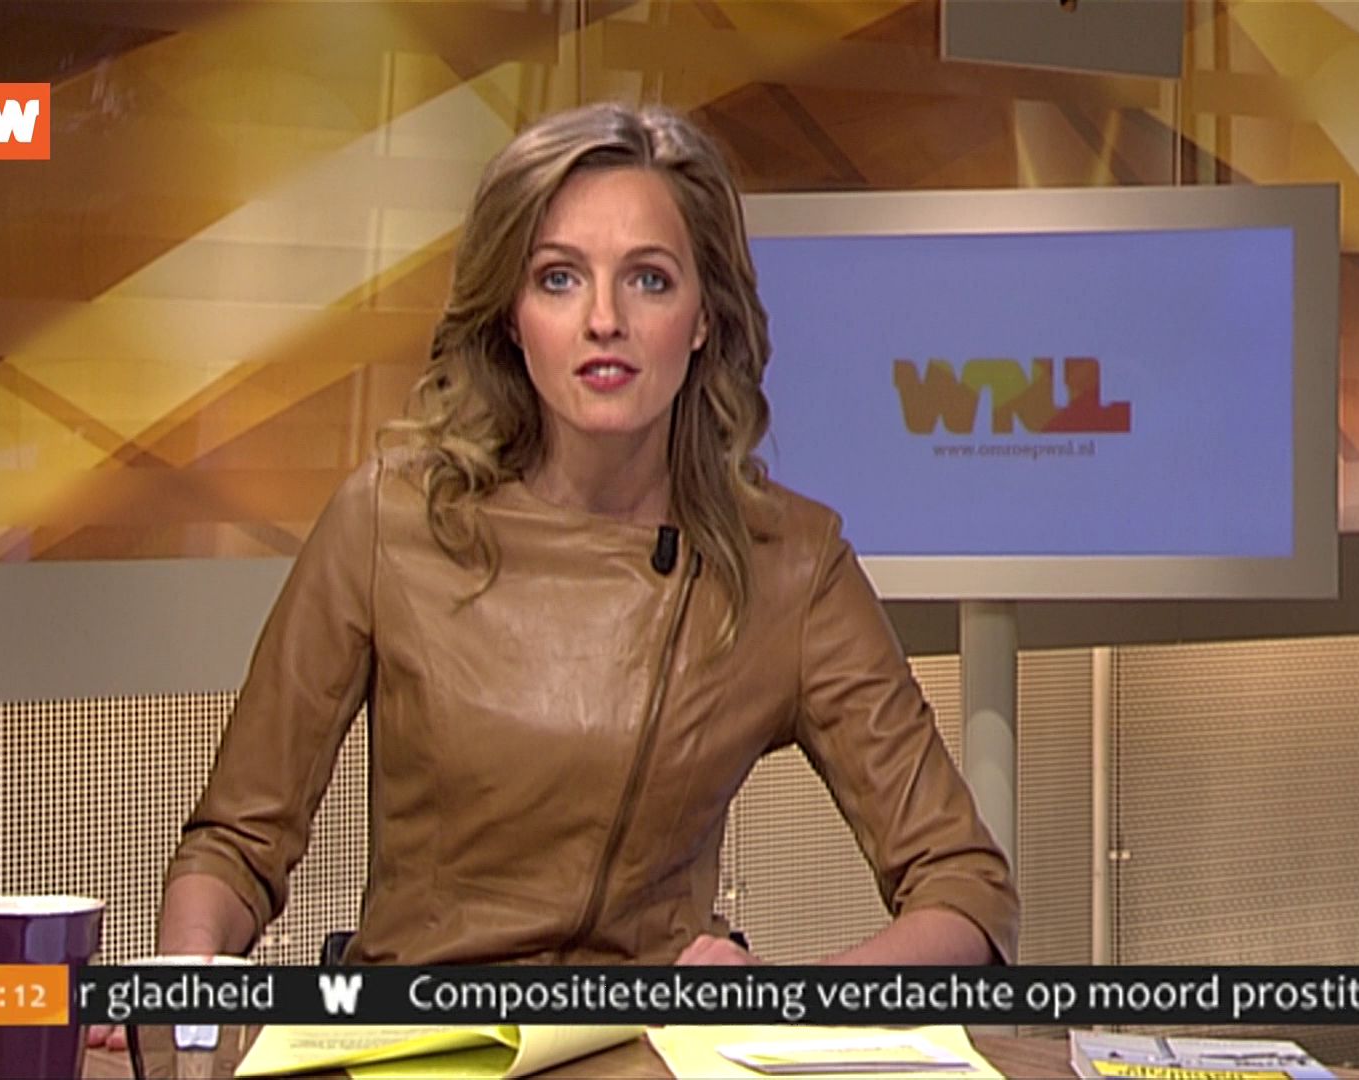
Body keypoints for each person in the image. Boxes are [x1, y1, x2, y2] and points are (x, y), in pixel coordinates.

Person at [148, 102, 1015, 985]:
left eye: (649, 280)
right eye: (559, 279)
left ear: (704, 316)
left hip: (650, 1037)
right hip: (418, 1034)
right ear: (511, 315)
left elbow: (966, 891)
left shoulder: (788, 561)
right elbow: (234, 846)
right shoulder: (390, 519)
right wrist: (183, 977)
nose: (605, 319)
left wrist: (786, 1001)